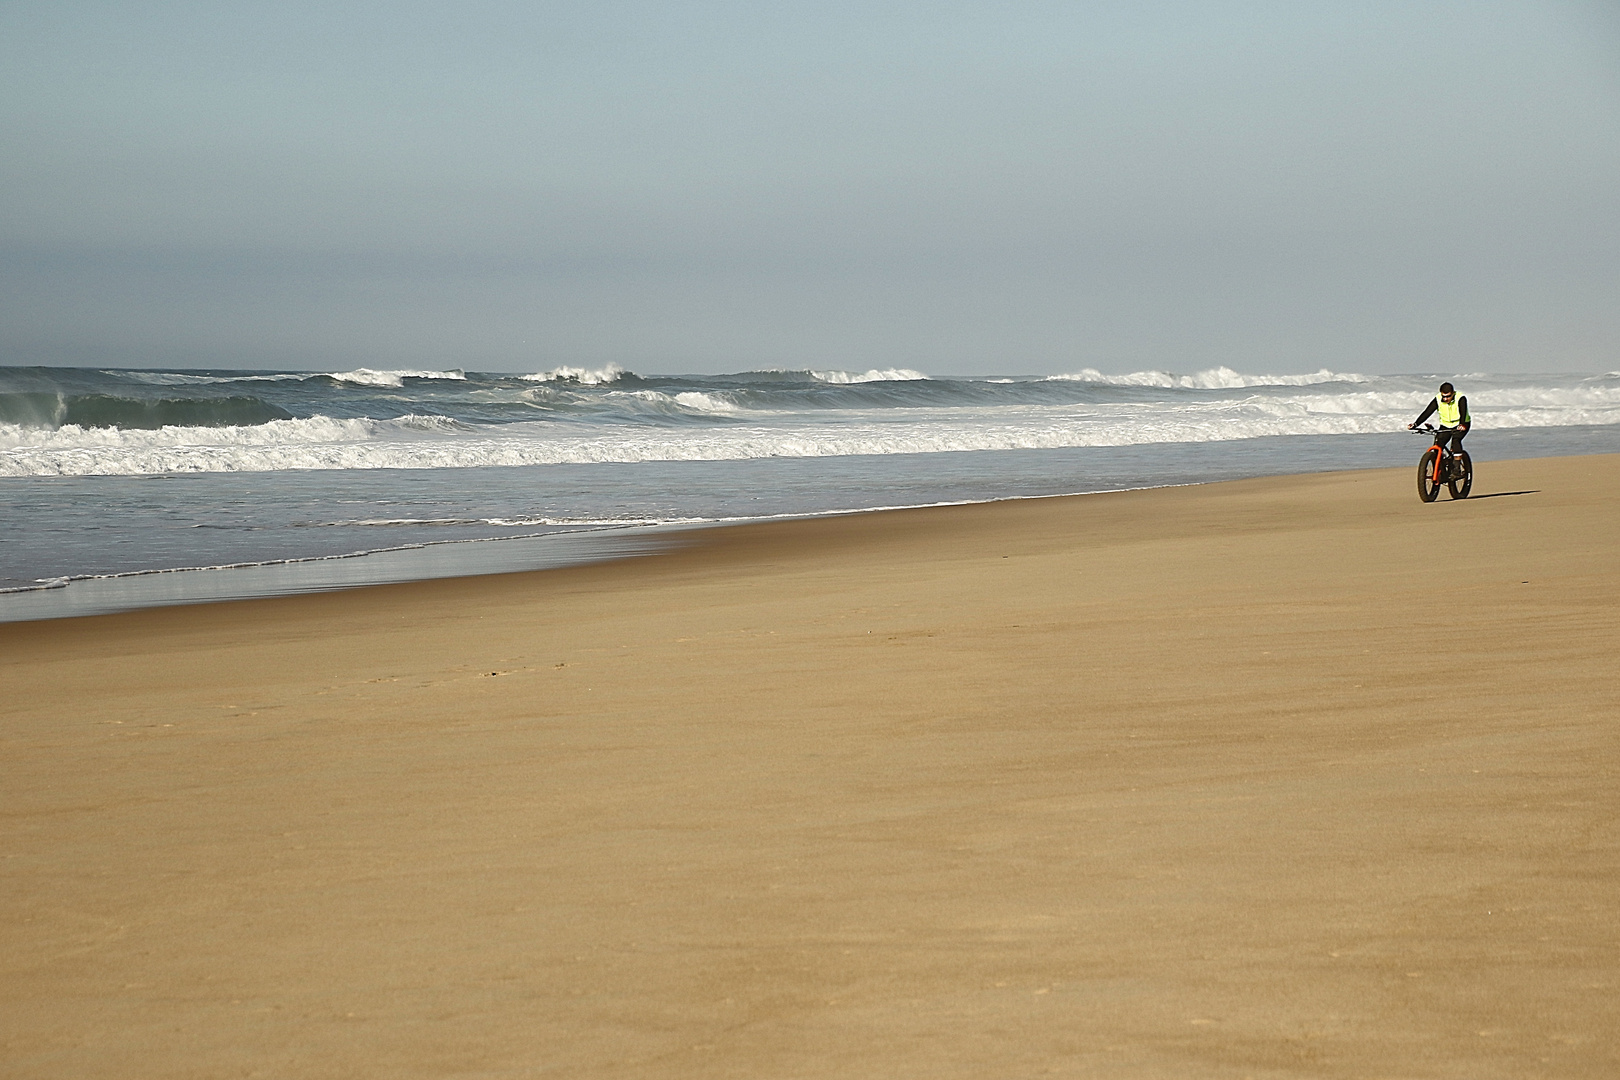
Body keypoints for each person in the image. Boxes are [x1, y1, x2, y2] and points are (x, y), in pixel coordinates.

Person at [1409, 381, 1470, 459]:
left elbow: (1463, 413)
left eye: (1448, 396)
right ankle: (1438, 468)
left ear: (1453, 393)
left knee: (1456, 442)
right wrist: (1415, 424)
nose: (1445, 399)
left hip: (1461, 424)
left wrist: (1462, 424)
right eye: (1443, 396)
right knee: (1438, 445)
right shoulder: (1438, 399)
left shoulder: (1460, 398)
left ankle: (1456, 469)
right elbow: (1427, 412)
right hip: (1445, 425)